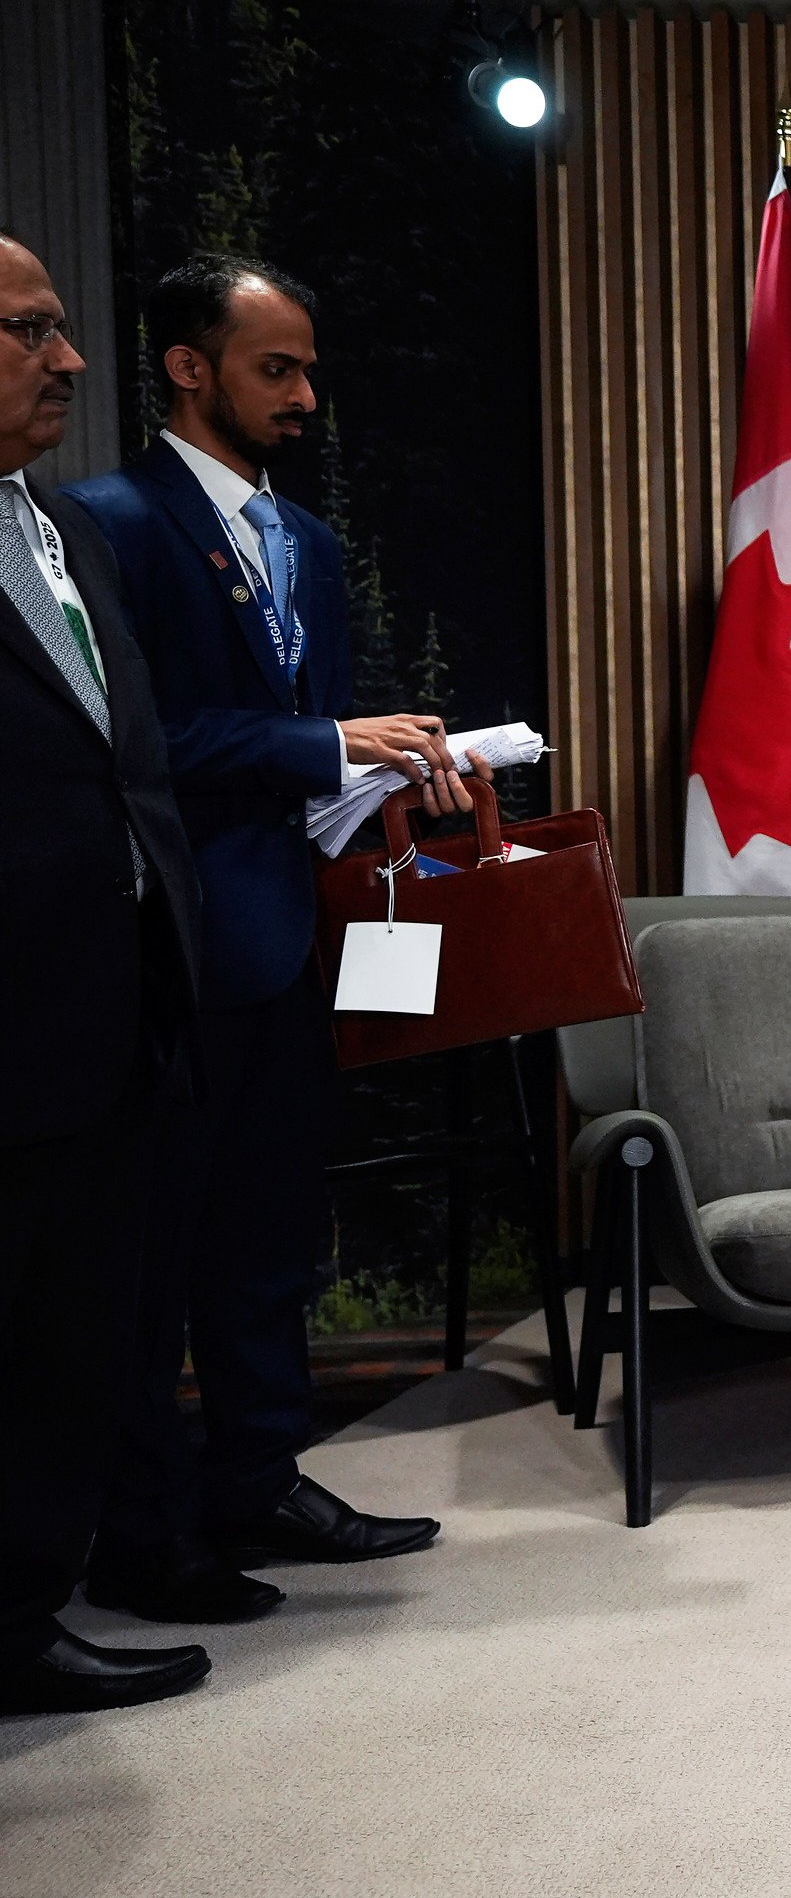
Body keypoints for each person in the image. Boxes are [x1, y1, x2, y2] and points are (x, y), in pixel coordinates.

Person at [66, 255, 477, 1626]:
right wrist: (322, 741)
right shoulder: (101, 525)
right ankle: (146, 1528)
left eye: (308, 369)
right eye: (274, 368)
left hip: (295, 932)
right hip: (168, 950)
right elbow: (132, 744)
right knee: (159, 1251)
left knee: (270, 1234)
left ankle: (259, 1478)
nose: (304, 395)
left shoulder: (299, 538)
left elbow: (308, 742)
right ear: (189, 366)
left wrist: (391, 764)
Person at [0, 234, 214, 1714]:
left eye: (63, 328)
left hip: (105, 1008)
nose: (70, 360)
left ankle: (23, 1612)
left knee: (68, 1333)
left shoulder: (63, 533)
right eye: (30, 329)